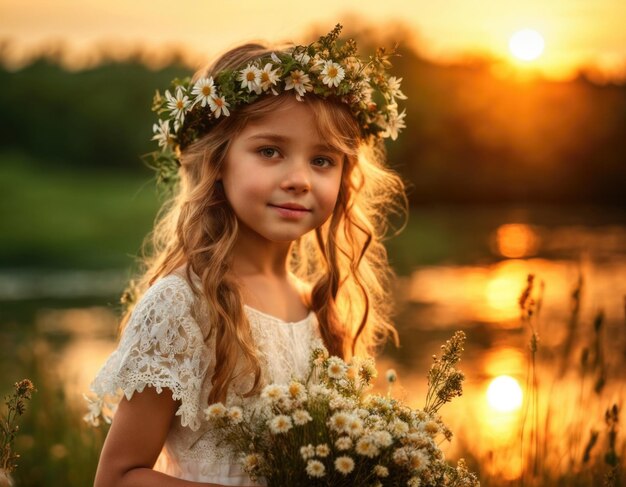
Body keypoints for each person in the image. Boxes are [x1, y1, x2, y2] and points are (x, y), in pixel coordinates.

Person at [84, 24, 408, 486]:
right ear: (218, 163)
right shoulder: (184, 304)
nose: (299, 178)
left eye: (322, 160)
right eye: (270, 151)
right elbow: (118, 477)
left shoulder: (318, 304)